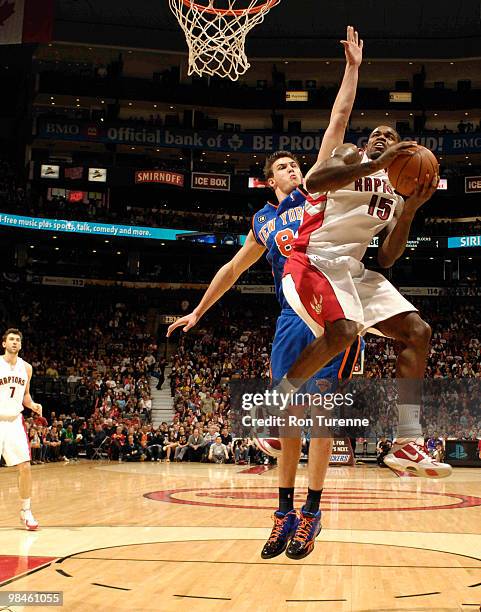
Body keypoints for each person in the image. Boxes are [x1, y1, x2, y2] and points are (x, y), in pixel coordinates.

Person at [167, 26, 364, 560]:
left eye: (294, 163)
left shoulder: (312, 191)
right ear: (267, 179)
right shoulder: (262, 221)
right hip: (288, 317)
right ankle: (283, 512)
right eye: (281, 166)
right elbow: (231, 270)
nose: (291, 167)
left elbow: (337, 123)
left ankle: (313, 513)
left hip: (329, 309)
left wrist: (350, 70)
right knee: (287, 419)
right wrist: (197, 313)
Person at [277, 127, 453, 481]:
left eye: (389, 135)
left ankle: (406, 439)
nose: (381, 135)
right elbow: (314, 183)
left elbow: (387, 258)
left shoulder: (398, 192)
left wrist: (410, 211)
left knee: (418, 331)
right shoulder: (350, 155)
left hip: (352, 271)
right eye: (376, 133)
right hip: (312, 258)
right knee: (344, 331)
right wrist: (375, 163)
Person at [0, 329, 42, 530]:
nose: (15, 342)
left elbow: (25, 395)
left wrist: (32, 405)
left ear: (21, 345)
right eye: (11, 339)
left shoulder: (26, 368)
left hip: (15, 420)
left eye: (18, 340)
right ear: (4, 343)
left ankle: (26, 511)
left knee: (25, 466)